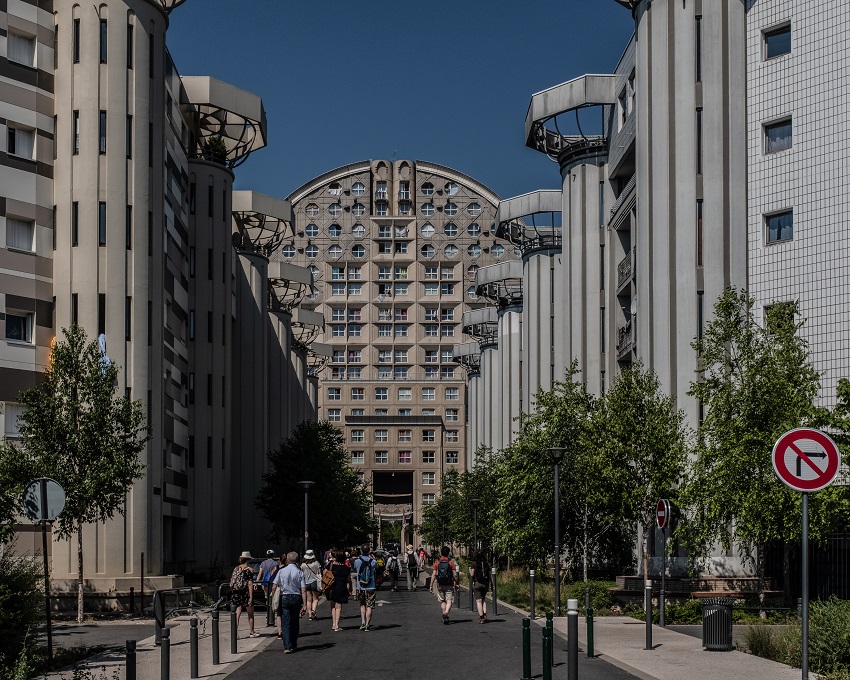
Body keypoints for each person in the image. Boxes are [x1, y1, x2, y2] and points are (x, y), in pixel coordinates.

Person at [271, 551, 307, 653]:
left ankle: (287, 646)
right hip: (296, 597)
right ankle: (293, 644)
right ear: (296, 560)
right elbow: (303, 589)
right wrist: (304, 604)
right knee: (295, 621)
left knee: (285, 622)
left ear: (287, 559)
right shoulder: (299, 572)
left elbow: (274, 586)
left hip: (284, 596)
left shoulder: (281, 571)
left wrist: (274, 597)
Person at [229, 551, 258, 638]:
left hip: (236, 593)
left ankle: (235, 633)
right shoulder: (248, 570)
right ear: (248, 560)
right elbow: (250, 583)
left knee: (237, 613)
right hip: (245, 593)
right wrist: (251, 596)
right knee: (250, 613)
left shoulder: (236, 568)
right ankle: (252, 632)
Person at [430, 546, 458, 624]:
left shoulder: (437, 562)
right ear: (448, 553)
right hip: (449, 584)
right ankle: (446, 614)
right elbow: (455, 575)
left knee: (442, 600)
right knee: (449, 600)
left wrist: (431, 585)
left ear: (441, 553)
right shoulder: (451, 562)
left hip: (440, 584)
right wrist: (457, 583)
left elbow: (433, 574)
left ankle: (444, 615)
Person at [353, 544, 378, 631]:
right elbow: (376, 568)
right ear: (369, 551)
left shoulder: (357, 561)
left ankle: (363, 622)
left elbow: (355, 569)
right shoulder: (373, 561)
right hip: (371, 586)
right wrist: (373, 558)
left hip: (360, 587)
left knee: (362, 604)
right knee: (370, 606)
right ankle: (367, 624)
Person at [327, 550, 353, 631]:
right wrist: (350, 587)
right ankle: (337, 625)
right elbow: (348, 579)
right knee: (338, 607)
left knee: (332, 606)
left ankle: (333, 623)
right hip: (341, 587)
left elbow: (325, 573)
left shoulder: (331, 566)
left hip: (331, 587)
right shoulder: (346, 568)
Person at [469, 550, 491, 623]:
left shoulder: (474, 563)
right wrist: (492, 584)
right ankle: (485, 614)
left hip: (477, 583)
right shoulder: (486, 564)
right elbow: (490, 575)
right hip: (485, 584)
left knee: (478, 601)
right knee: (483, 599)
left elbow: (472, 574)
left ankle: (481, 617)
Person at [301, 549, 322, 620]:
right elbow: (319, 573)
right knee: (315, 598)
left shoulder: (303, 565)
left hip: (306, 582)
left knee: (308, 599)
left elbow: (301, 574)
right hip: (314, 582)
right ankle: (313, 610)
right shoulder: (316, 563)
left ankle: (309, 615)